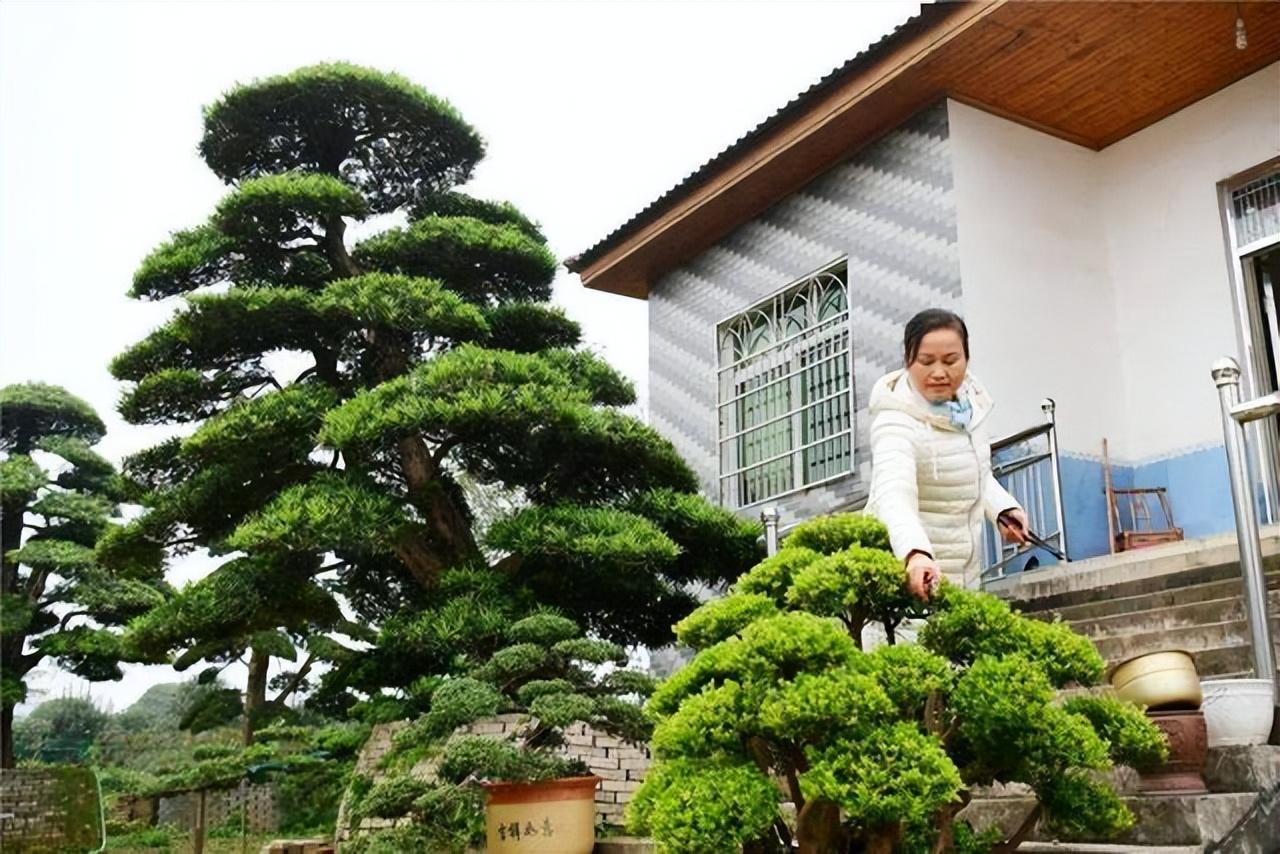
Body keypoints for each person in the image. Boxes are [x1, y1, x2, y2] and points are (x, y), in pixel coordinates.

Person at [865, 308, 1030, 600]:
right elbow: (893, 497)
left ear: (966, 359)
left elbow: (973, 469)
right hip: (910, 577)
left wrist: (1002, 510)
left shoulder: (971, 412)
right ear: (908, 361)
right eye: (926, 362)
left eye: (951, 360)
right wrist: (915, 553)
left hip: (964, 576)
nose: (939, 373)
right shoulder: (895, 422)